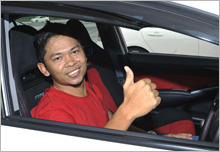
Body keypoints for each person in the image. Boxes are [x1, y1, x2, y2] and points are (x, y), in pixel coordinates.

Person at [31, 22, 194, 140]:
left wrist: (159, 138)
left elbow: (114, 122)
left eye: (74, 51)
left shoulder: (90, 87)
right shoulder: (51, 113)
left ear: (85, 53)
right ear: (44, 68)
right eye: (58, 57)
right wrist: (128, 109)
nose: (71, 62)